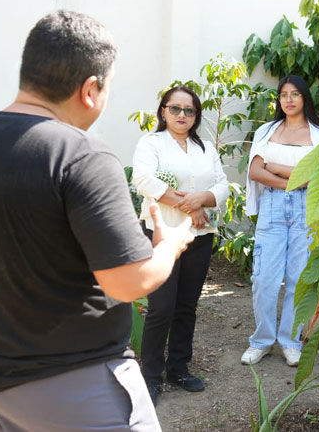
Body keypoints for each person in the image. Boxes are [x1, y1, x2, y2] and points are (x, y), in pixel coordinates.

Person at [0, 11, 192, 431]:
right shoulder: (81, 154)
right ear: (90, 89)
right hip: (78, 385)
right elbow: (128, 281)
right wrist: (169, 245)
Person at [132, 85, 229, 405]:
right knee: (161, 307)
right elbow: (144, 180)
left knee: (187, 306)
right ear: (163, 111)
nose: (182, 115)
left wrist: (204, 199)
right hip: (162, 234)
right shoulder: (151, 144)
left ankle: (178, 368)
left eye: (189, 110)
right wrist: (191, 208)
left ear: (196, 115)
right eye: (175, 108)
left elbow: (223, 185)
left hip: (199, 236)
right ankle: (150, 376)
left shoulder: (205, 148)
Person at [241, 75, 319, 367]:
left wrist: (276, 167)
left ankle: (291, 341)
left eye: (295, 94)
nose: (288, 100)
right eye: (283, 95)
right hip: (272, 207)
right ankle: (261, 341)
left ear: (305, 98)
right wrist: (294, 178)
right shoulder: (267, 131)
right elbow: (256, 172)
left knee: (298, 279)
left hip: (307, 209)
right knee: (263, 278)